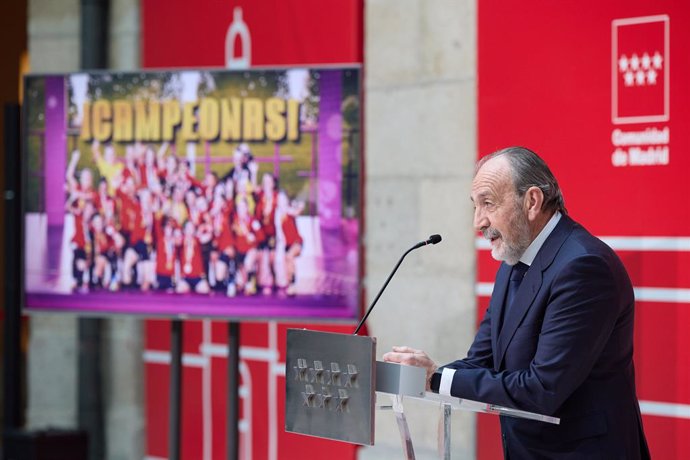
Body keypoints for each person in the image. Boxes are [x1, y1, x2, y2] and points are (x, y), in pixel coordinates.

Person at [383, 147, 650, 459]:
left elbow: (542, 389)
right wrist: (421, 373)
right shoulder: (512, 264)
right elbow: (482, 362)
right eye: (475, 206)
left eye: (488, 204)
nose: (478, 222)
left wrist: (438, 377)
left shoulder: (584, 268)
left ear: (532, 202)